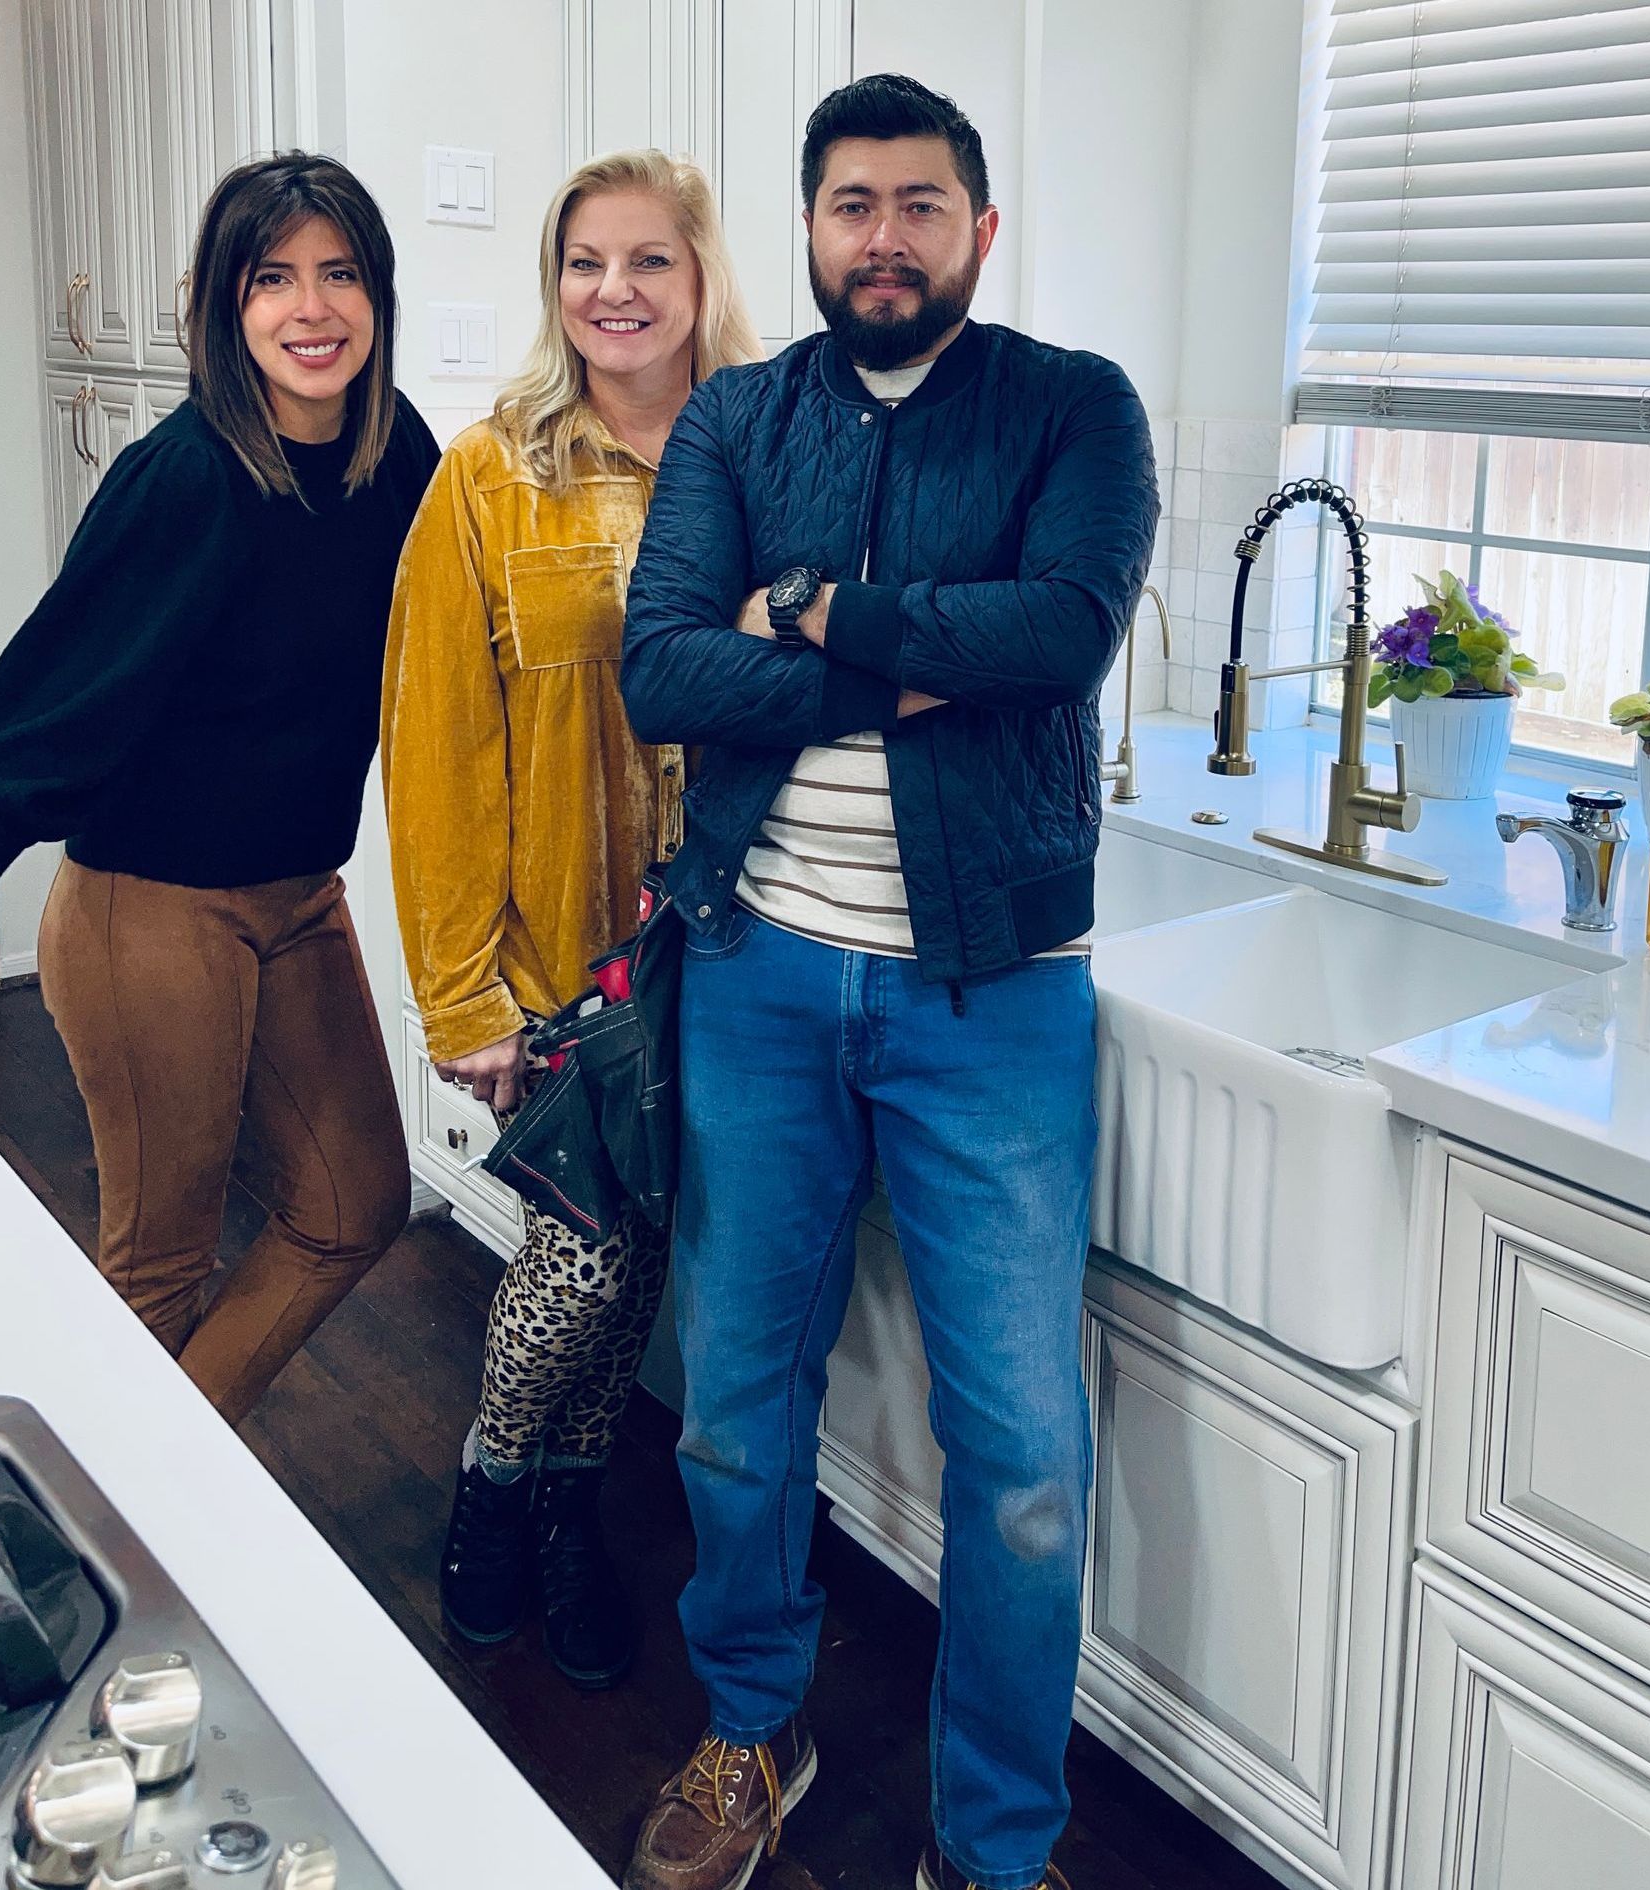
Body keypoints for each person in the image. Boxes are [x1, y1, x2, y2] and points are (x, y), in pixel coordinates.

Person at [618, 74, 1158, 1890]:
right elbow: (667, 676)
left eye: (920, 206)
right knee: (731, 1395)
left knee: (1014, 1453)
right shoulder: (731, 423)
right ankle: (750, 1722)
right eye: (851, 206)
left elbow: (1064, 631)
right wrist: (927, 657)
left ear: (977, 232)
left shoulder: (1071, 410)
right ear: (810, 228)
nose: (884, 238)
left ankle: (993, 1846)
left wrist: (824, 611)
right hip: (759, 968)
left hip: (988, 990)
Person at [0, 154, 439, 1426]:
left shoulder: (400, 462)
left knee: (352, 1205)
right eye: (272, 277)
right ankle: (108, 1547)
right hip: (147, 912)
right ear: (224, 306)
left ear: (378, 297)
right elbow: (21, 737)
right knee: (158, 1272)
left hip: (296, 895)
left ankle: (165, 1499)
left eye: (338, 274)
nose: (310, 307)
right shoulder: (186, 481)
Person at [381, 150, 760, 1686]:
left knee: (643, 1251)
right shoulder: (490, 470)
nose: (614, 290)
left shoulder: (758, 460)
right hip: (560, 951)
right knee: (582, 1254)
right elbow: (436, 748)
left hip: (729, 946)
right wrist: (461, 998)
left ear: (698, 276)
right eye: (583, 260)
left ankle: (562, 1513)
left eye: (647, 260)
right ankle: (493, 1485)